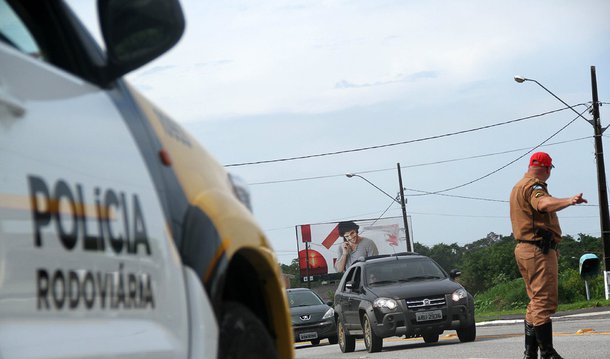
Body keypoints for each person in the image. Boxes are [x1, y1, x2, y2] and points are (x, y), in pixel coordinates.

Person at [509, 152, 587, 359]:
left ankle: (530, 352)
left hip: (526, 249)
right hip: (537, 250)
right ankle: (547, 353)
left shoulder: (518, 186)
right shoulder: (534, 186)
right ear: (546, 168)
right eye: (550, 169)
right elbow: (543, 204)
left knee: (534, 301)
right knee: (543, 301)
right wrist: (569, 200)